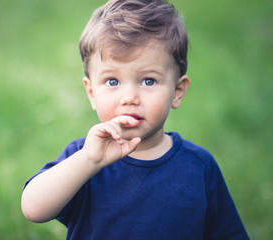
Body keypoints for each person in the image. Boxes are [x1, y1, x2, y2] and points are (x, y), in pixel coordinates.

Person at [21, 0, 249, 239]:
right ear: (91, 93)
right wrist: (88, 160)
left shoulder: (199, 167)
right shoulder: (84, 157)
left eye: (148, 81)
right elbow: (33, 209)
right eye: (112, 81)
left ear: (177, 91)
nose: (129, 97)